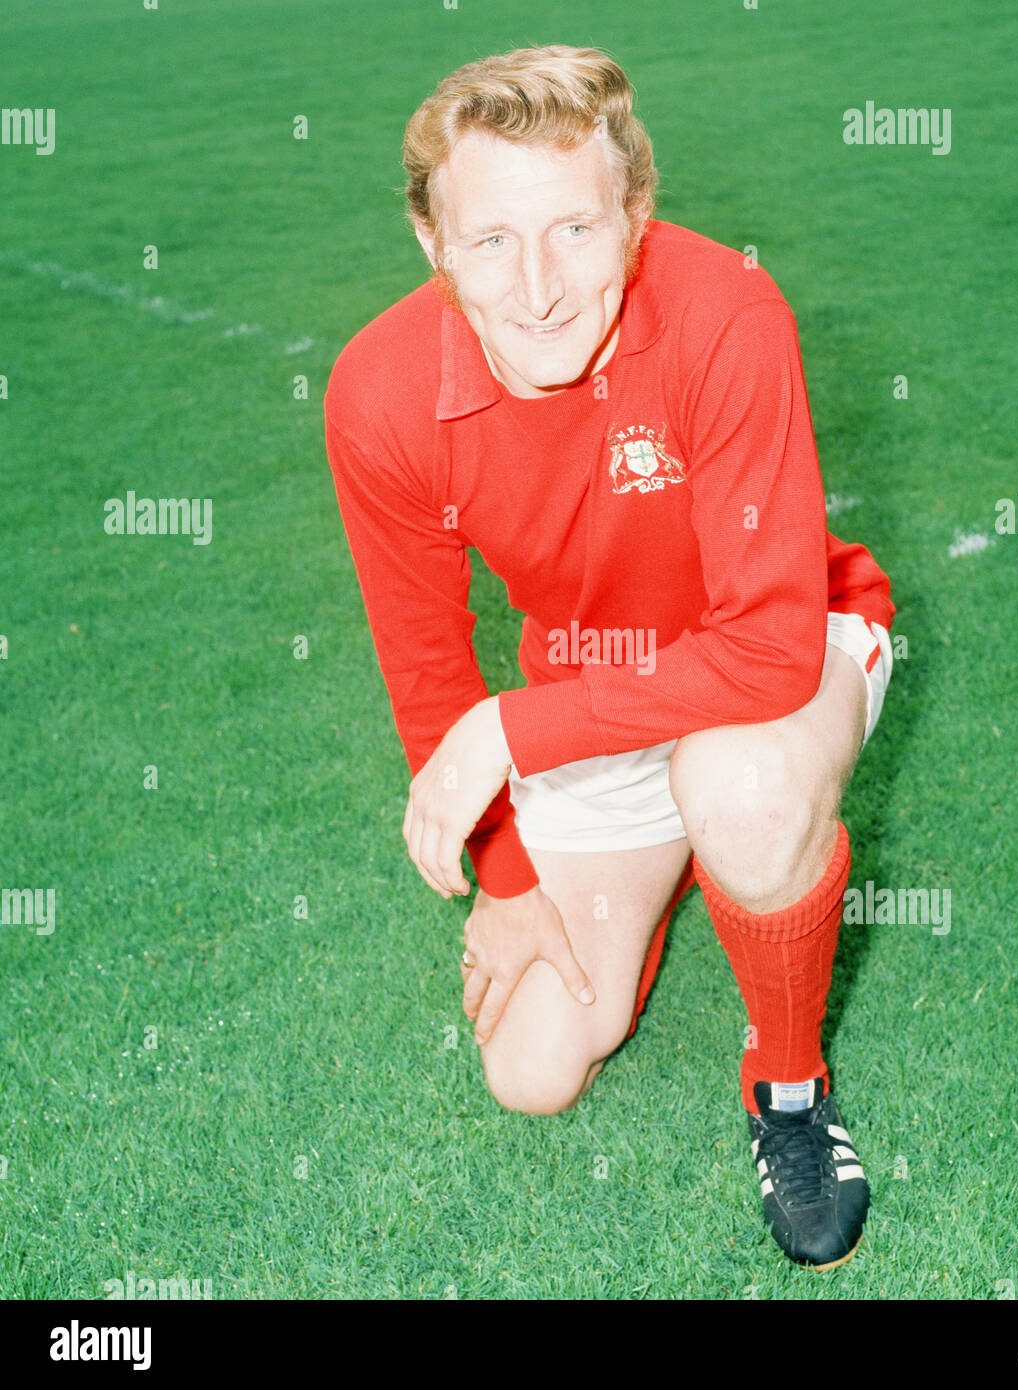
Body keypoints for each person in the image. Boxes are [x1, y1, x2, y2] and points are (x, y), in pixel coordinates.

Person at [323, 44, 895, 1270]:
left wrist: (506, 737)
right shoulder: (378, 394)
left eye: (574, 228)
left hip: (785, 646)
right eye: (490, 242)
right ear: (431, 242)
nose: (535, 288)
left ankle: (787, 1092)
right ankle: (708, 866)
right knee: (529, 1066)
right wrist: (512, 874)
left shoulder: (727, 312)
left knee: (742, 785)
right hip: (602, 696)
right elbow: (428, 666)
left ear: (636, 217)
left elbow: (768, 647)